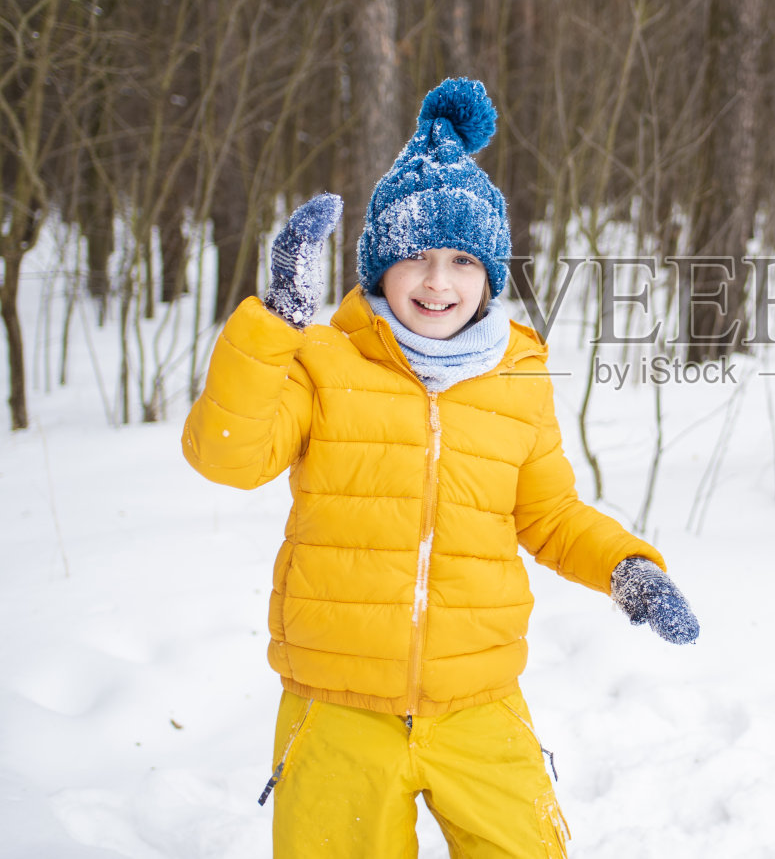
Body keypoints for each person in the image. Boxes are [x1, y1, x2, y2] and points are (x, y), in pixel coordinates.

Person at [181, 77, 698, 858]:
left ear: (489, 273)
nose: (437, 282)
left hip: (479, 700)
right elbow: (225, 455)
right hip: (337, 707)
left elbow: (550, 516)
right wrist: (276, 326)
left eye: (462, 259)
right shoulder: (324, 363)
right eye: (416, 256)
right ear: (379, 267)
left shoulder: (518, 379)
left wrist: (627, 567)